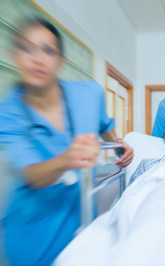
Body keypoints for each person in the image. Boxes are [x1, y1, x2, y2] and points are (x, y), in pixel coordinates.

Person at [0, 17, 134, 265]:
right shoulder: (8, 112)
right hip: (33, 230)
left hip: (80, 215)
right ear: (14, 56)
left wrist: (119, 146)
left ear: (60, 60)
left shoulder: (89, 94)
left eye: (48, 51)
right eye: (26, 49)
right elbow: (31, 174)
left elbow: (105, 125)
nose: (37, 59)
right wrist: (66, 160)